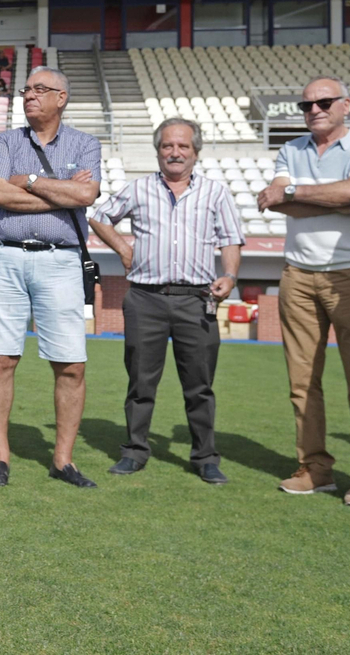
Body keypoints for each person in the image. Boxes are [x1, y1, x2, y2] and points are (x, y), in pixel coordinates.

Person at [254, 77, 350, 507]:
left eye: (324, 102)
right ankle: (314, 468)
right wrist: (343, 202)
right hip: (297, 274)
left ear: (346, 105)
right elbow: (273, 202)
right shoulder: (290, 149)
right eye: (307, 104)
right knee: (302, 383)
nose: (314, 109)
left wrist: (299, 191)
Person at [89, 119, 242, 485]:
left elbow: (231, 239)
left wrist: (230, 276)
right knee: (141, 382)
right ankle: (134, 451)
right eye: (167, 146)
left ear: (195, 151)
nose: (175, 153)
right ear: (158, 151)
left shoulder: (215, 193)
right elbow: (99, 216)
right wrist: (125, 249)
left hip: (196, 300)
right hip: (146, 299)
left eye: (183, 146)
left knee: (200, 385)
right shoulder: (139, 188)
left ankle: (205, 457)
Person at [0, 66, 100, 489]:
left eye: (39, 89)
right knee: (0, 360)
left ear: (61, 98)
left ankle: (63, 460)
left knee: (71, 365)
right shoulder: (6, 140)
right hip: (7, 258)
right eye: (26, 89)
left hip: (60, 260)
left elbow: (87, 195)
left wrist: (28, 182)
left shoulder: (85, 143)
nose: (29, 95)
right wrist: (60, 192)